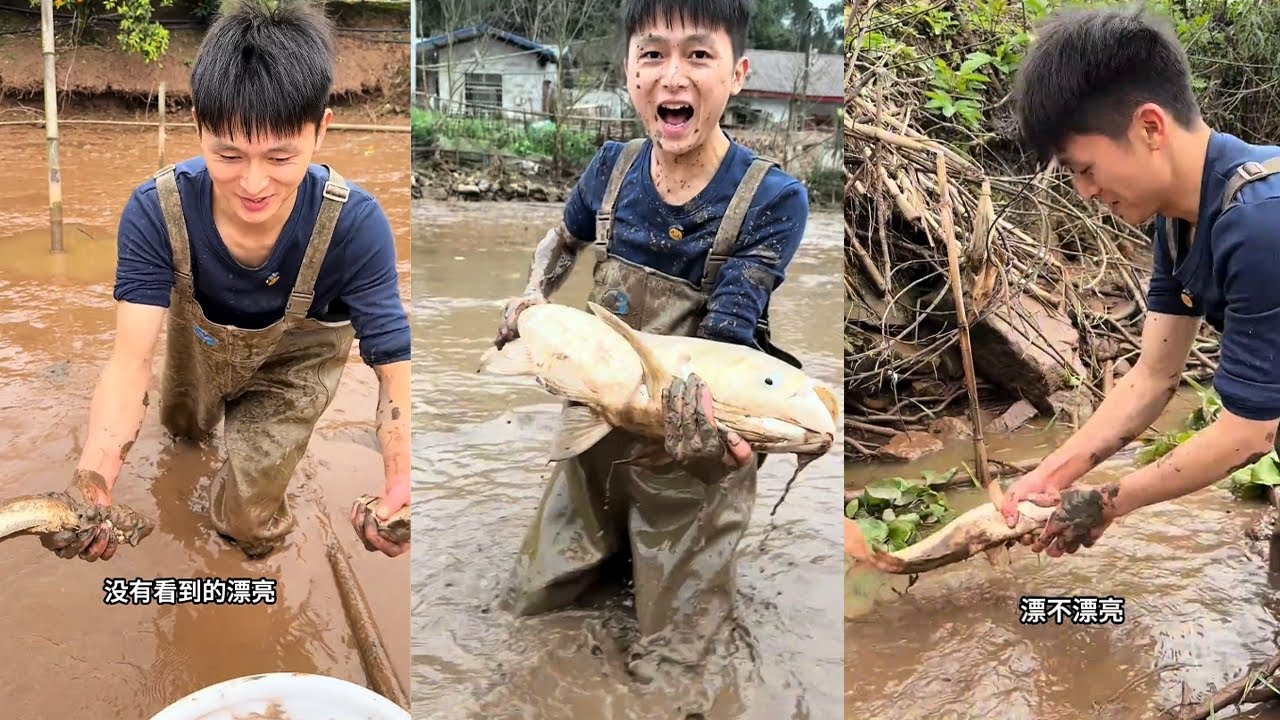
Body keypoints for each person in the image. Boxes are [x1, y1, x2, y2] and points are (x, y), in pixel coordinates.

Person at [493, 0, 810, 681]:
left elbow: (727, 333)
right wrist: (531, 297)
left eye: (698, 55)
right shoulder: (611, 169)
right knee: (526, 609)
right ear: (629, 71)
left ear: (738, 74)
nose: (673, 76)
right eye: (653, 54)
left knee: (676, 665)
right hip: (596, 433)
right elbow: (562, 241)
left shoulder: (772, 198)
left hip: (693, 457)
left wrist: (715, 432)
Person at [42, 0, 411, 563]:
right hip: (200, 338)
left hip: (298, 361)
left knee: (249, 523)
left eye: (281, 157)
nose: (254, 183)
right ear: (198, 126)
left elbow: (393, 367)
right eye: (229, 154)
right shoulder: (155, 210)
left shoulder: (355, 226)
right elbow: (130, 362)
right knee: (183, 431)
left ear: (321, 131)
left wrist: (400, 479)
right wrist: (95, 478)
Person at [999, 5, 1280, 557]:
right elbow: (1153, 375)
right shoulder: (1179, 221)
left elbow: (1248, 434)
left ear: (1150, 127)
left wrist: (1107, 503)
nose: (1084, 192)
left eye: (1085, 169)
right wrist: (1051, 475)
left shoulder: (1260, 223)